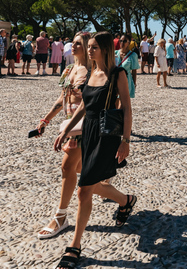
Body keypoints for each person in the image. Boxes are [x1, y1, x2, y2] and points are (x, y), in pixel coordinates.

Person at [53, 32, 135, 269]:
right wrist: (66, 129)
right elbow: (85, 106)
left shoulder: (117, 74)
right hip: (88, 131)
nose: (90, 51)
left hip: (106, 135)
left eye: (95, 47)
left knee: (84, 189)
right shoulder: (90, 73)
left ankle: (75, 246)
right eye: (89, 47)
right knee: (88, 181)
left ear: (107, 49)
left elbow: (127, 109)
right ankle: (125, 200)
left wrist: (126, 141)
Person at [34, 32, 90, 240]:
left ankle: (60, 217)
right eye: (72, 43)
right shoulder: (68, 69)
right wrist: (45, 120)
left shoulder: (92, 71)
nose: (72, 46)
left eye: (77, 44)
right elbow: (62, 99)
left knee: (67, 167)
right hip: (69, 122)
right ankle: (124, 199)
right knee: (83, 173)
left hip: (85, 125)